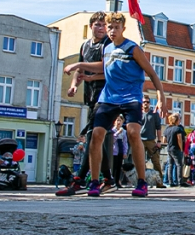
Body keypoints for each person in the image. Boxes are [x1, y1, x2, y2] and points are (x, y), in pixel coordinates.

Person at [64, 12, 166, 197]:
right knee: (96, 135)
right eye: (109, 27)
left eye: (115, 28)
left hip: (130, 98)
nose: (111, 31)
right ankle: (95, 182)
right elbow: (105, 69)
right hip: (109, 97)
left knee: (134, 133)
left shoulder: (133, 48)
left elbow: (152, 74)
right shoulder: (107, 48)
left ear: (123, 29)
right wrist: (82, 70)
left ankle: (141, 182)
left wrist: (161, 99)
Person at [57, 12, 115, 195]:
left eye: (104, 25)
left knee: (91, 137)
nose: (101, 28)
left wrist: (78, 68)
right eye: (98, 25)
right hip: (90, 97)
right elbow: (81, 67)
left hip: (106, 97)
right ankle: (108, 178)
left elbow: (105, 66)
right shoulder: (85, 46)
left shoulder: (108, 44)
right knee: (97, 140)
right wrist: (74, 85)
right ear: (91, 26)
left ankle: (80, 179)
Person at [138, 97, 165, 188]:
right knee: (140, 162)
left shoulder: (154, 114)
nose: (146, 103)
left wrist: (159, 141)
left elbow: (158, 127)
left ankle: (159, 182)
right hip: (140, 140)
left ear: (150, 103)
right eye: (144, 102)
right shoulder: (138, 113)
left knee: (156, 161)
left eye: (147, 102)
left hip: (151, 140)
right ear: (141, 103)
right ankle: (141, 182)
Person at [163, 113, 186, 187]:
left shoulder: (167, 128)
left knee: (170, 165)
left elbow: (164, 140)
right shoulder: (178, 128)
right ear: (176, 120)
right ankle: (180, 182)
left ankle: (170, 182)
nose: (180, 120)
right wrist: (181, 148)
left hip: (169, 148)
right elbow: (179, 139)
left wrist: (170, 141)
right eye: (179, 119)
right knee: (179, 165)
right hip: (176, 148)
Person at [111, 115, 129, 187]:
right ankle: (111, 181)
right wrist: (118, 132)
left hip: (120, 150)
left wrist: (125, 152)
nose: (118, 122)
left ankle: (117, 181)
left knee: (119, 167)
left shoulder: (124, 131)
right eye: (117, 120)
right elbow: (112, 140)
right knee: (113, 167)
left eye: (120, 120)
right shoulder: (112, 130)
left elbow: (125, 142)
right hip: (114, 151)